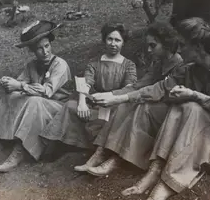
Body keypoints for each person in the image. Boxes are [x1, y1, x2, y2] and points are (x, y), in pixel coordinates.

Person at [92, 17, 210, 200]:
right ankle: (154, 170)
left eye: (184, 45)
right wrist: (120, 98)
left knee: (191, 107)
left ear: (198, 47)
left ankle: (168, 181)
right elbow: (159, 88)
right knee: (177, 107)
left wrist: (196, 96)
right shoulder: (190, 69)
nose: (179, 49)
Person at [74, 21, 184, 175]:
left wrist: (121, 98)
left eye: (153, 45)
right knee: (125, 105)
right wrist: (112, 95)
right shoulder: (158, 63)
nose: (149, 49)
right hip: (153, 102)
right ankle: (100, 153)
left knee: (137, 106)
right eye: (148, 45)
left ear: (166, 45)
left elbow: (156, 90)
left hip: (170, 111)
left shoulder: (180, 66)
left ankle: (117, 159)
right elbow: (139, 85)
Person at [0, 20, 72, 173]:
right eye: (39, 49)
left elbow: (45, 91)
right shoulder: (32, 65)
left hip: (59, 109)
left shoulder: (60, 65)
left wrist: (21, 86)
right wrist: (8, 83)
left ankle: (21, 150)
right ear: (32, 51)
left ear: (51, 44)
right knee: (11, 96)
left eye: (47, 46)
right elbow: (20, 83)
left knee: (35, 101)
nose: (45, 52)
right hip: (40, 105)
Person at [39, 22, 137, 158]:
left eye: (117, 40)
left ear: (123, 42)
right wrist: (82, 102)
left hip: (114, 105)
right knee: (70, 106)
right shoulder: (95, 63)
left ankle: (95, 148)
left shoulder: (129, 65)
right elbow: (86, 82)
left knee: (112, 117)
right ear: (104, 40)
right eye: (110, 39)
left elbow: (129, 88)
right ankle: (57, 144)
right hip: (94, 103)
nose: (113, 43)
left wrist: (111, 97)